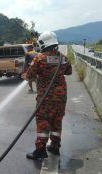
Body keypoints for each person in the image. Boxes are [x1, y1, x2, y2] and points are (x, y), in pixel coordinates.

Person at [21, 31, 72, 159]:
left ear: (43, 43)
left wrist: (25, 76)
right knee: (57, 121)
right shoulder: (63, 58)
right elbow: (69, 71)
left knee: (43, 122)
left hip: (46, 98)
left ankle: (40, 150)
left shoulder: (40, 58)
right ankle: (55, 146)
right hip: (61, 97)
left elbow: (30, 75)